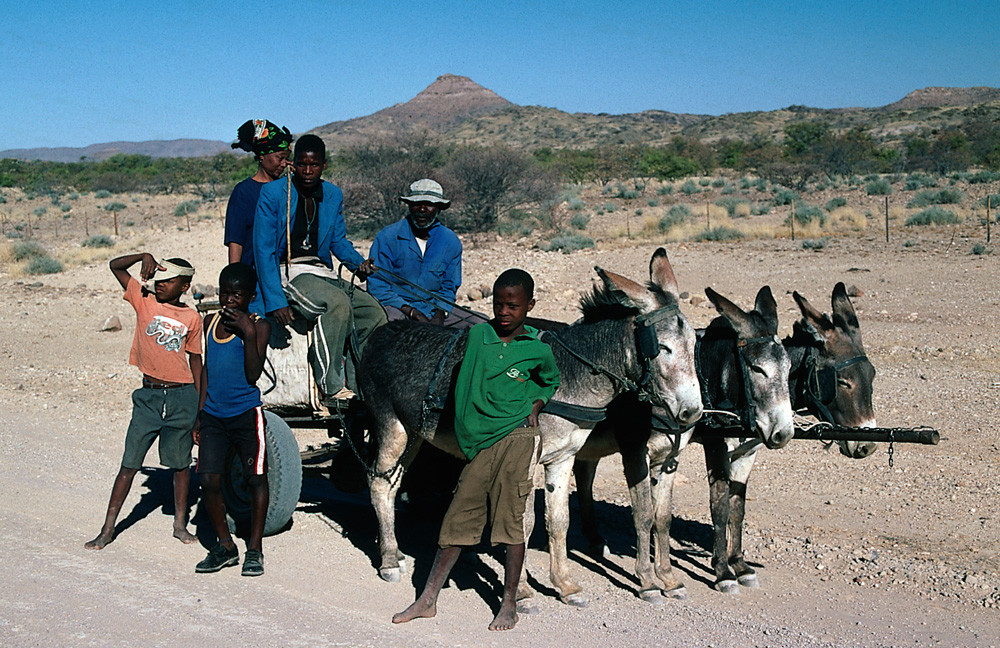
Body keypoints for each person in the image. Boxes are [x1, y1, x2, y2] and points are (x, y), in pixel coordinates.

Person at [392, 269, 560, 631]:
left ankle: (509, 602)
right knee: (457, 519)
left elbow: (551, 380)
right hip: (479, 443)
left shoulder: (538, 349)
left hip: (516, 439)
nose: (504, 312)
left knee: (510, 522)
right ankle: (427, 599)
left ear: (529, 306)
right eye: (498, 304)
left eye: (513, 306)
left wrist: (536, 403)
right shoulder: (478, 335)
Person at [253, 134, 386, 402]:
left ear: (323, 165)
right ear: (293, 164)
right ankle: (330, 384)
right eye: (302, 164)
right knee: (336, 305)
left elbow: (338, 240)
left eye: (314, 165)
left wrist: (357, 263)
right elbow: (263, 250)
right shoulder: (273, 193)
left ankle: (361, 384)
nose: (308, 171)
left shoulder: (333, 194)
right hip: (288, 271)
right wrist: (275, 300)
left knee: (373, 313)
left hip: (321, 272)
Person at [85, 253, 203, 550]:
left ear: (185, 286)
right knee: (129, 464)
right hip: (148, 397)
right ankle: (108, 528)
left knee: (180, 465)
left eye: (168, 281)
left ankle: (180, 524)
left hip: (182, 396)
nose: (160, 285)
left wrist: (200, 409)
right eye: (158, 279)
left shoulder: (192, 317)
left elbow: (196, 362)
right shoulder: (144, 298)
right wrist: (143, 256)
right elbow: (115, 266)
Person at [193, 263, 271, 576]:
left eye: (237, 295)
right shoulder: (210, 322)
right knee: (209, 479)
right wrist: (200, 415)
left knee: (255, 479)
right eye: (225, 293)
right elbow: (208, 371)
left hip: (245, 415)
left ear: (251, 297)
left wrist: (248, 333)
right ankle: (225, 545)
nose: (229, 300)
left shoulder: (259, 326)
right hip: (213, 415)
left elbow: (253, 375)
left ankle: (255, 549)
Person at [368, 179, 482, 327]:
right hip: (398, 308)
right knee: (390, 327)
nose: (422, 209)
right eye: (417, 204)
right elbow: (378, 285)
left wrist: (440, 313)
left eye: (429, 204)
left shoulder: (450, 241)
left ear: (439, 208)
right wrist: (411, 311)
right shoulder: (388, 236)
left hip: (435, 310)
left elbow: (449, 286)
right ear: (409, 206)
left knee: (480, 324)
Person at [225, 119, 293, 267]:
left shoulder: (288, 188)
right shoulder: (243, 191)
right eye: (280, 158)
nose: (284, 164)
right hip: (253, 270)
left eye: (287, 159)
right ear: (262, 156)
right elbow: (236, 239)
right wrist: (235, 274)